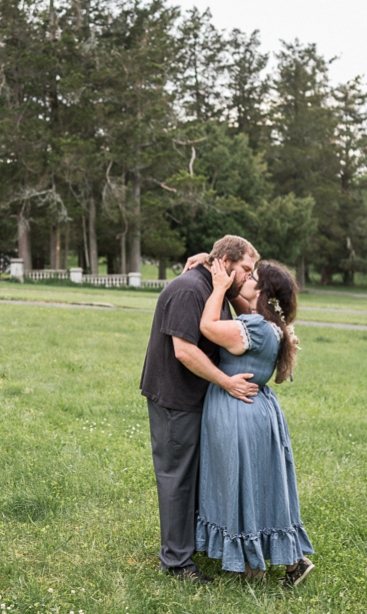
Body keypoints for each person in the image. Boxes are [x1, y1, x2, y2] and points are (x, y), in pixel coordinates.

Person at [139, 235, 260, 584]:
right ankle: (176, 564)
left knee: (192, 478)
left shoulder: (213, 287)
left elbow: (248, 313)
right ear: (225, 261)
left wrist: (221, 275)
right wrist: (227, 382)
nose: (249, 277)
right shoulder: (190, 290)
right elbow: (184, 351)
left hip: (195, 398)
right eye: (246, 270)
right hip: (175, 398)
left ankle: (186, 549)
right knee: (177, 479)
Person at [196, 258, 315, 587]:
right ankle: (276, 562)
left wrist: (219, 287)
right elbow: (242, 301)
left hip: (241, 411)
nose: (246, 277)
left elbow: (207, 327)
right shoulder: (270, 322)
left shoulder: (258, 328)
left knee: (243, 484)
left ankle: (255, 564)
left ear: (262, 291)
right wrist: (208, 262)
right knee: (259, 485)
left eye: (253, 276)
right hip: (258, 410)